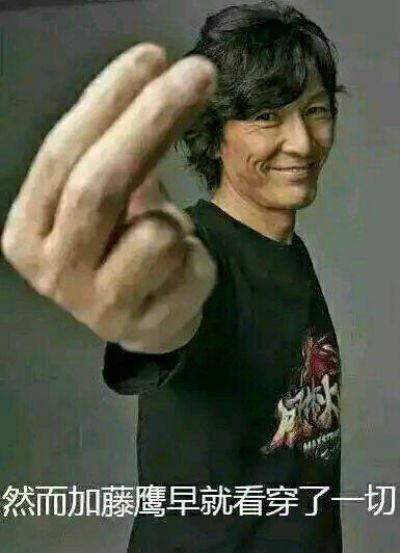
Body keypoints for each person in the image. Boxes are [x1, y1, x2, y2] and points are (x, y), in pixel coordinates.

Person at [1, 1, 346, 552]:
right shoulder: (196, 252)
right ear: (215, 131)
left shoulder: (288, 250)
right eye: (266, 116)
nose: (302, 141)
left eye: (316, 110)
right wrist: (144, 309)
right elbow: (171, 312)